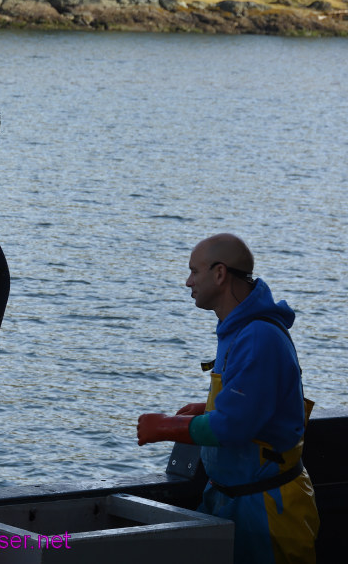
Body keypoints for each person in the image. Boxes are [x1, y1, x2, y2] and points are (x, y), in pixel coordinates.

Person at [136, 233, 319, 564]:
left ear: (219, 274)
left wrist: (164, 426)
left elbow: (232, 427)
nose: (187, 281)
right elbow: (250, 405)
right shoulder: (238, 328)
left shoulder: (258, 336)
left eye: (195, 271)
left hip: (267, 511)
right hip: (231, 499)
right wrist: (206, 409)